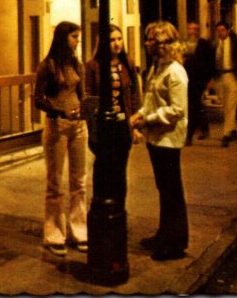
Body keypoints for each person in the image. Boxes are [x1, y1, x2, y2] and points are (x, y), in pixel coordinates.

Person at [130, 21, 189, 261]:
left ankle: (175, 242)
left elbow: (177, 110)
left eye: (153, 40)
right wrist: (141, 113)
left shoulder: (175, 71)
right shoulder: (157, 68)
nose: (148, 43)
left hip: (168, 138)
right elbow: (151, 98)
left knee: (171, 190)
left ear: (165, 43)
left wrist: (148, 120)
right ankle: (165, 234)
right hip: (156, 137)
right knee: (164, 189)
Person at [33, 21, 88, 257]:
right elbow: (38, 98)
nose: (77, 41)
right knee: (55, 182)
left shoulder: (76, 63)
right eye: (74, 37)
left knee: (80, 181)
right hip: (57, 125)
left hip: (78, 125)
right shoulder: (48, 66)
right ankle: (54, 233)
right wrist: (59, 112)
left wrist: (83, 109)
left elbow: (81, 92)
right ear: (63, 38)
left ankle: (80, 230)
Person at [85, 24, 143, 209]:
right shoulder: (93, 66)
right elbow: (89, 98)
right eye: (111, 40)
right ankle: (101, 211)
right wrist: (92, 131)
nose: (117, 44)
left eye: (119, 39)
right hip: (103, 127)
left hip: (122, 126)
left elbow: (135, 96)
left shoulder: (128, 64)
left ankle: (119, 209)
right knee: (102, 170)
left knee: (120, 171)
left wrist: (136, 127)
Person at [181, 22, 215, 144]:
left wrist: (210, 79)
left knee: (193, 105)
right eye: (191, 28)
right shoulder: (183, 44)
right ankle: (204, 128)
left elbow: (210, 62)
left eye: (195, 29)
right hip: (186, 78)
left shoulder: (204, 45)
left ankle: (189, 135)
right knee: (196, 105)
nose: (193, 31)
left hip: (199, 79)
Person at [213, 22, 237, 147]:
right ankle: (233, 130)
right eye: (218, 31)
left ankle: (226, 134)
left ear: (227, 31)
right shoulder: (215, 45)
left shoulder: (236, 44)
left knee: (230, 106)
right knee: (226, 106)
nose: (220, 33)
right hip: (220, 77)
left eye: (222, 30)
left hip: (232, 76)